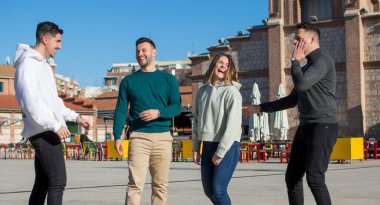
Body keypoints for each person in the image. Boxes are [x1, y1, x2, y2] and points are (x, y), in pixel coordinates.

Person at [243, 22, 338, 205]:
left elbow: (301, 84)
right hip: (305, 127)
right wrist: (259, 108)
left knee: (315, 177)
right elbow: (291, 100)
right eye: (295, 40)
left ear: (312, 39)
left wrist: (295, 61)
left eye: (299, 39)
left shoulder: (323, 61)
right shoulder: (305, 68)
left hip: (323, 126)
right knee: (292, 177)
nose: (295, 43)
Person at [14, 21, 90, 205]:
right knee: (58, 181)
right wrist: (55, 125)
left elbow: (53, 103)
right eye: (57, 41)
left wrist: (75, 117)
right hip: (43, 131)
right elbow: (31, 103)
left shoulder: (44, 66)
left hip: (46, 130)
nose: (60, 46)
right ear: (45, 38)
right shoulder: (28, 65)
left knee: (43, 183)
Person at [113, 37, 181, 205]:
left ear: (153, 52)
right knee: (135, 185)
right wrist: (117, 136)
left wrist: (158, 112)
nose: (140, 54)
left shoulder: (168, 80)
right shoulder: (128, 81)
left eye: (144, 50)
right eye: (137, 51)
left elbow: (177, 107)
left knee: (160, 186)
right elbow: (121, 109)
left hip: (163, 137)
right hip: (138, 137)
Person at [192, 53, 242, 205]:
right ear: (213, 65)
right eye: (220, 62)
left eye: (227, 65)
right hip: (207, 145)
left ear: (229, 70)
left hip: (228, 146)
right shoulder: (202, 91)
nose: (223, 67)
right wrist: (195, 147)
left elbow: (232, 126)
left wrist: (220, 151)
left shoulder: (232, 92)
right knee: (209, 191)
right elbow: (196, 121)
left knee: (219, 190)